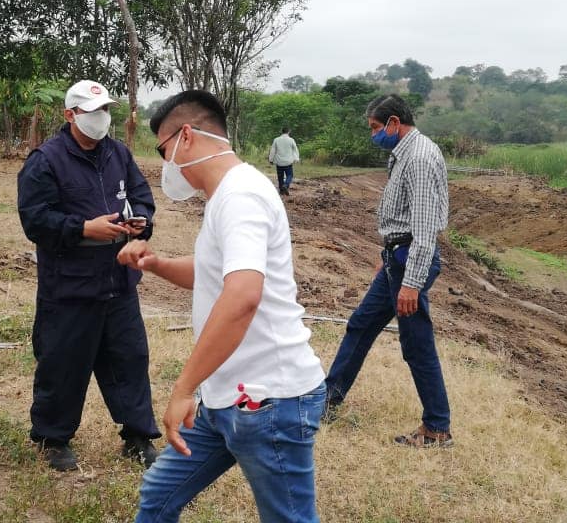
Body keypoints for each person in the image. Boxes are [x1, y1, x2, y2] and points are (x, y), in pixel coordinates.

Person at [120, 90, 327, 522]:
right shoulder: (226, 195)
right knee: (158, 495)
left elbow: (242, 296)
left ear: (186, 136)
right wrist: (157, 264)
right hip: (225, 398)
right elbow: (214, 272)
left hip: (266, 400)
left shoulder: (240, 196)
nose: (166, 164)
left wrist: (183, 388)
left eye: (162, 150)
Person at [16, 80, 161, 471]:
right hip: (70, 284)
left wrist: (141, 222)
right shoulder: (45, 160)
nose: (102, 118)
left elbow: (141, 196)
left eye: (106, 110)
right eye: (92, 111)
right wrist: (83, 228)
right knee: (63, 361)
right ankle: (52, 438)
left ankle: (138, 436)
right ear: (70, 115)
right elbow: (35, 220)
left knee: (129, 358)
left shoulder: (119, 154)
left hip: (118, 280)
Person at [324, 93, 453, 447]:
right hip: (397, 258)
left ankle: (437, 428)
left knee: (417, 345)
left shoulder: (419, 158)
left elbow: (424, 229)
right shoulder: (405, 153)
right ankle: (328, 398)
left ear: (394, 123)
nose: (373, 135)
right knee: (361, 324)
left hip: (410, 262)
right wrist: (390, 256)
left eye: (375, 127)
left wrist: (411, 283)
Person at [267, 126, 300, 195]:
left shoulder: (276, 140)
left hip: (279, 162)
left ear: (281, 132)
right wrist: (296, 158)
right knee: (289, 175)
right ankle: (286, 185)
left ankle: (281, 191)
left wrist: (271, 159)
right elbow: (295, 150)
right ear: (289, 132)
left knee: (280, 177)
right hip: (288, 162)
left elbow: (273, 150)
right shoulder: (291, 140)